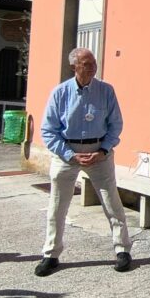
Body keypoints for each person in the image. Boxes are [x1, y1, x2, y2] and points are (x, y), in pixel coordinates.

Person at [36, 48, 132, 276]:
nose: (92, 68)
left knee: (112, 203)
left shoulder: (106, 91)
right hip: (67, 153)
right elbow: (48, 131)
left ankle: (123, 250)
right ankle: (51, 254)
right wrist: (69, 154)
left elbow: (116, 125)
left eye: (94, 63)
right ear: (74, 67)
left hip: (99, 152)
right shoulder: (60, 93)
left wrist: (103, 150)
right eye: (86, 64)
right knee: (57, 206)